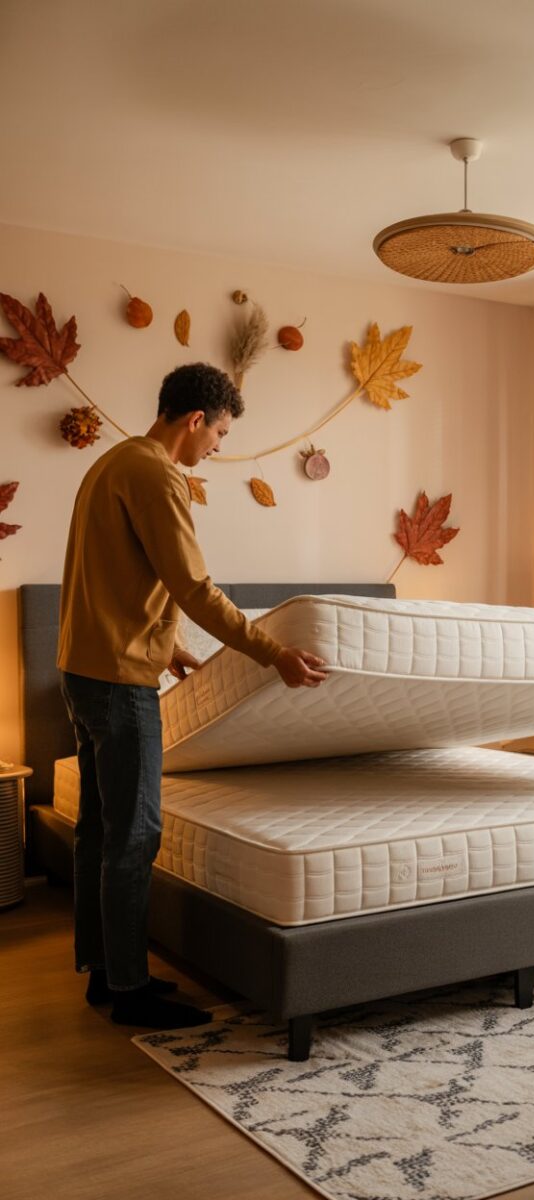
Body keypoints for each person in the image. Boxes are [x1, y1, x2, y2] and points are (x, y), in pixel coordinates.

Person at [58, 362, 328, 1029]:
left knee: (99, 829)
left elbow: (117, 576)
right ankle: (129, 991)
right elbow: (194, 587)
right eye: (221, 432)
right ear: (194, 419)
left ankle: (101, 970)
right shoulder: (158, 474)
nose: (219, 446)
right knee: (136, 834)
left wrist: (167, 646)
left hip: (84, 670)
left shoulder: (110, 464)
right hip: (120, 686)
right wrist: (275, 654)